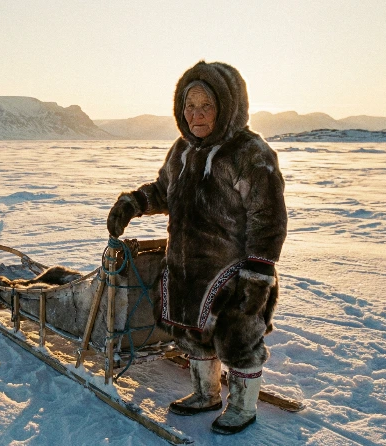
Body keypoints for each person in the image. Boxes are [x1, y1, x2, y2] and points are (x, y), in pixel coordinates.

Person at [106, 60, 287, 435]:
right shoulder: (182, 150)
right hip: (187, 268)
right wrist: (133, 203)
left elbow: (268, 219)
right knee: (194, 334)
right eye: (190, 106)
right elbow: (163, 191)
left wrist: (259, 274)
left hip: (234, 272)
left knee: (237, 340)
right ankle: (206, 393)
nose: (196, 114)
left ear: (226, 105)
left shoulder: (250, 153)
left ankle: (242, 405)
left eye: (206, 105)